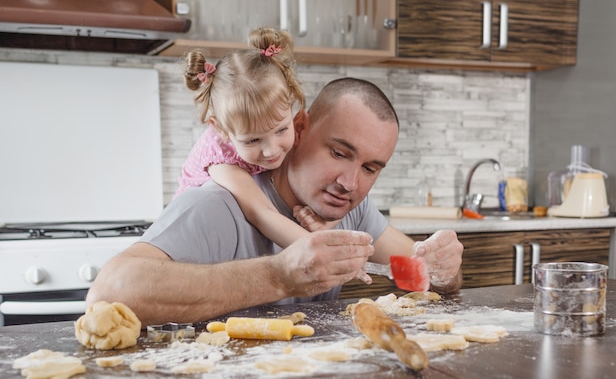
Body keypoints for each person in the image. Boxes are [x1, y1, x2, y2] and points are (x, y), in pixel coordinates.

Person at [86, 77, 463, 325]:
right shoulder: (218, 204)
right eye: (338, 153)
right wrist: (280, 275)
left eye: (370, 168)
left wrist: (443, 266)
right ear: (299, 128)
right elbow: (108, 292)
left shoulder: (354, 210)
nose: (350, 183)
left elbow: (427, 272)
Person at [174, 27, 337, 252]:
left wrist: (325, 221)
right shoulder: (221, 161)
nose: (271, 151)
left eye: (281, 130)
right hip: (193, 241)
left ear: (291, 109)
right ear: (221, 129)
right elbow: (261, 213)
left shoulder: (289, 128)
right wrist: (326, 251)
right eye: (252, 141)